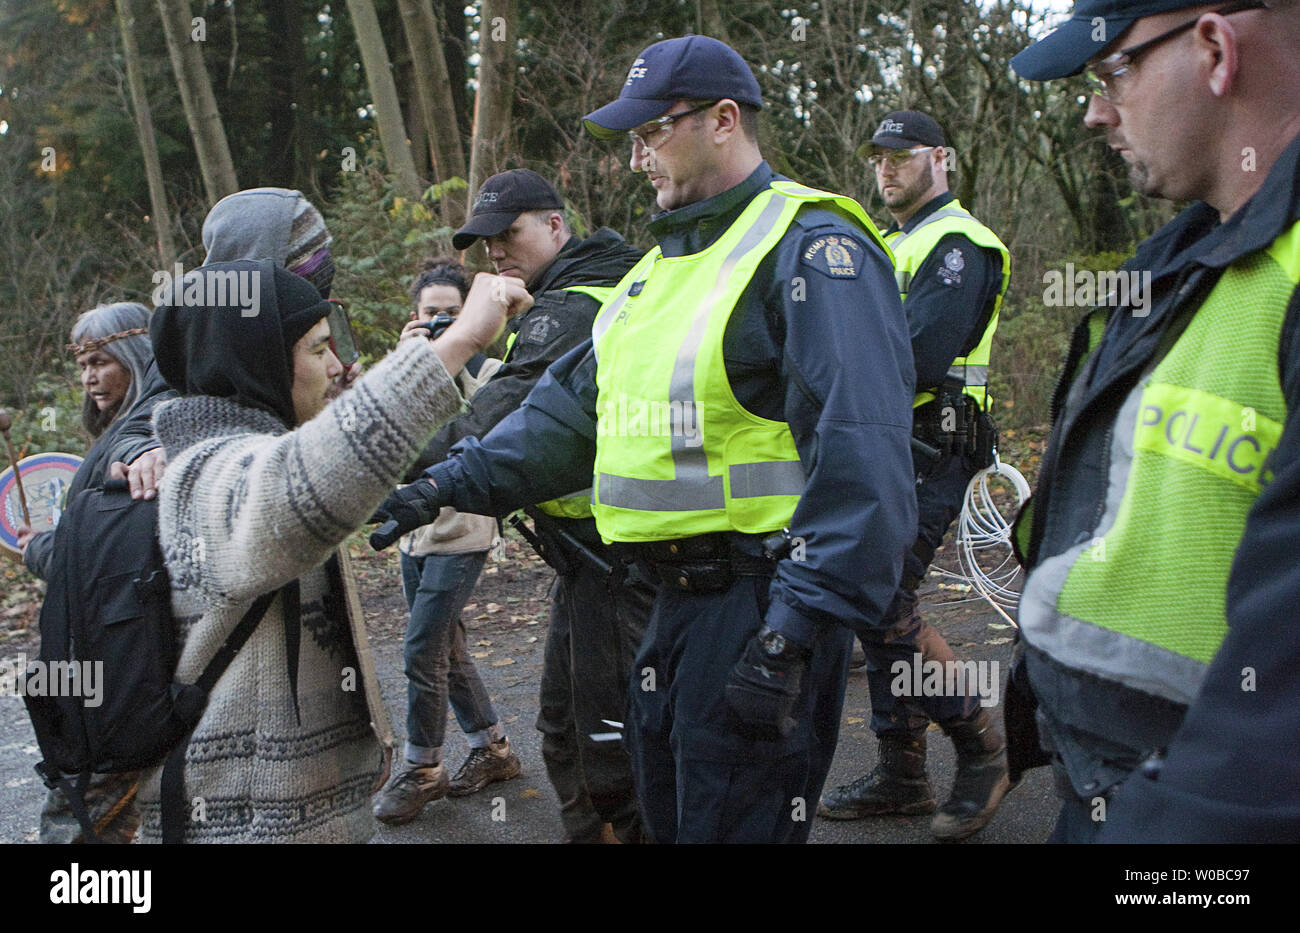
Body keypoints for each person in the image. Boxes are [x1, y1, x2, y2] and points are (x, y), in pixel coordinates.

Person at [372, 35, 917, 844]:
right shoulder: (652, 273)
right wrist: (444, 483)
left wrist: (792, 634)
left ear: (724, 120)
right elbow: (563, 417)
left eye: (651, 133)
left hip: (762, 605)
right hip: (663, 606)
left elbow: (864, 461)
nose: (635, 160)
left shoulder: (810, 248)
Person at [1008, 0, 1300, 841]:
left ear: (1214, 48)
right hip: (1109, 786)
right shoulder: (1180, 262)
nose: (1097, 111)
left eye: (1113, 72)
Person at [134, 259, 527, 842]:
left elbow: (320, 459)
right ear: (259, 360)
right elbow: (294, 495)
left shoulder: (248, 448)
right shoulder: (200, 472)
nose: (339, 365)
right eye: (320, 350)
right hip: (246, 827)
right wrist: (461, 339)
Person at [396, 169, 649, 843]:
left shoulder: (575, 305)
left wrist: (383, 456)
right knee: (568, 730)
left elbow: (496, 421)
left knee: (602, 743)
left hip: (615, 557)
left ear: (556, 227)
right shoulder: (569, 293)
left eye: (512, 234)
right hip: (590, 556)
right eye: (487, 243)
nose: (498, 254)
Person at [819, 110, 1013, 841]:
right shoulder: (894, 243)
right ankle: (902, 771)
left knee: (882, 593)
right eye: (877, 157)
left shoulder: (957, 243)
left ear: (941, 157)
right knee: (876, 594)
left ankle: (983, 742)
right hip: (890, 440)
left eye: (901, 156)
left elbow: (919, 357)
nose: (886, 168)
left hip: (933, 442)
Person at [16, 301, 176, 844]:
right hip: (114, 656)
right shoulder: (123, 428)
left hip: (120, 666)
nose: (89, 377)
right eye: (82, 364)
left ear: (138, 353)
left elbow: (97, 558)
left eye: (101, 361)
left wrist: (38, 549)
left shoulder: (151, 427)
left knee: (83, 823)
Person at [371, 258, 520, 825]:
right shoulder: (404, 364)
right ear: (414, 317)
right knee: (446, 650)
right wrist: (408, 359)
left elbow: (489, 421)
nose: (440, 323)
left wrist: (462, 349)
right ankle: (494, 748)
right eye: (431, 314)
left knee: (421, 648)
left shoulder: (490, 367)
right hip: (414, 536)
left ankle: (423, 768)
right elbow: (380, 425)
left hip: (464, 529)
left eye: (451, 315)